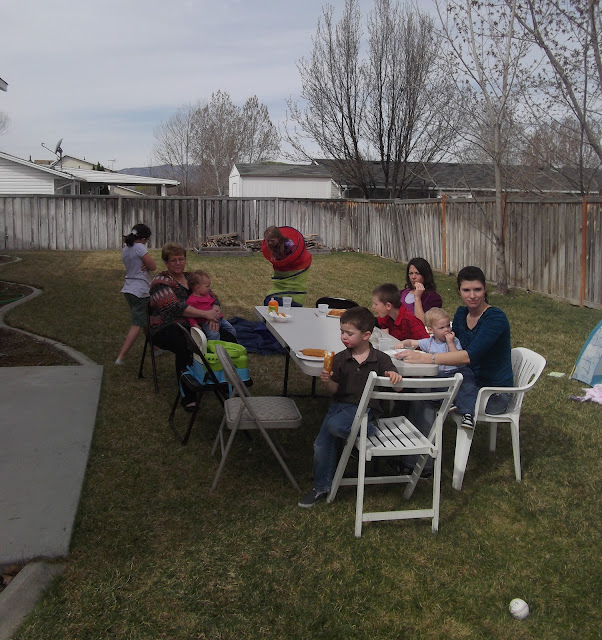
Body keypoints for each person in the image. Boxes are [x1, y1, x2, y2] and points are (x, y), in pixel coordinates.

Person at [298, 307, 403, 508]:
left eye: (349, 333)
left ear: (366, 335)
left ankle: (368, 429)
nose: (344, 337)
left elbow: (398, 388)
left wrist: (394, 376)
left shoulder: (380, 359)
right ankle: (321, 487)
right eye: (342, 332)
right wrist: (327, 381)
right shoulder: (340, 359)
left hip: (366, 409)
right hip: (340, 406)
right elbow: (334, 390)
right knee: (321, 444)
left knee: (335, 426)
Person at [398, 266, 513, 416]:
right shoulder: (461, 314)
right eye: (466, 290)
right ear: (459, 291)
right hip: (464, 382)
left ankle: (421, 430)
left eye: (477, 290)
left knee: (423, 392)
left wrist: (426, 358)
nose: (472, 295)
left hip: (492, 394)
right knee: (417, 387)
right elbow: (448, 345)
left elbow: (468, 357)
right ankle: (408, 428)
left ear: (485, 289)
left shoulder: (495, 318)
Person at [149, 243, 235, 408]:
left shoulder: (191, 278)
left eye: (181, 259)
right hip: (165, 326)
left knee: (227, 338)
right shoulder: (160, 282)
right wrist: (205, 314)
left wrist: (214, 314)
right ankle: (188, 394)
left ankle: (222, 381)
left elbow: (213, 297)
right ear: (166, 263)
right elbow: (173, 308)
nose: (178, 263)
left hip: (196, 323)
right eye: (173, 260)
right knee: (187, 345)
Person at [396, 307, 478, 429]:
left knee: (468, 386)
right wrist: (403, 343)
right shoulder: (429, 342)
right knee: (428, 384)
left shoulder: (454, 340)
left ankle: (467, 413)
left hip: (457, 371)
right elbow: (413, 342)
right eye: (441, 328)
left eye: (448, 326)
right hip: (438, 374)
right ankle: (445, 403)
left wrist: (450, 343)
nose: (446, 330)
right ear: (431, 330)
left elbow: (456, 357)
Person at [115, 224, 157, 365]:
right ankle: (121, 357)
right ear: (143, 239)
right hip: (140, 291)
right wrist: (147, 264)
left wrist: (143, 263)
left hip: (128, 289)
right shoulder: (140, 247)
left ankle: (155, 348)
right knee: (137, 324)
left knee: (145, 319)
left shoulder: (126, 249)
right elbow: (153, 266)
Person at [261, 225, 312, 306]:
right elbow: (273, 254)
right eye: (268, 241)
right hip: (283, 268)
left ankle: (292, 300)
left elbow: (296, 251)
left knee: (293, 286)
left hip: (294, 267)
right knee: (269, 300)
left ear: (279, 238)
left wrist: (291, 258)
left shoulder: (287, 242)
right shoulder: (272, 246)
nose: (270, 243)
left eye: (272, 240)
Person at [186, 270, 237, 341]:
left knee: (231, 330)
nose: (209, 288)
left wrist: (216, 312)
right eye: (207, 286)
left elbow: (215, 303)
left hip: (220, 318)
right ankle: (213, 347)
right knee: (214, 335)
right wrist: (194, 324)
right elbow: (189, 315)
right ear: (197, 287)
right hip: (206, 323)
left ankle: (234, 344)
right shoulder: (191, 300)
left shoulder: (207, 295)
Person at [400, 257, 442, 324]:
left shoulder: (433, 298)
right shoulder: (402, 293)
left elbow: (423, 324)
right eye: (411, 273)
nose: (413, 277)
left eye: (417, 273)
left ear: (425, 275)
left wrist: (417, 298)